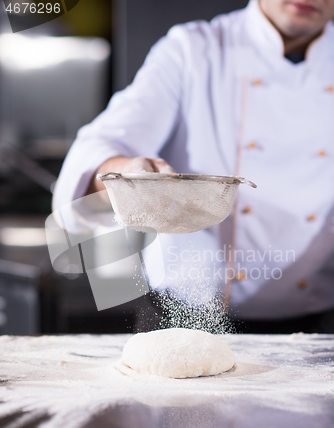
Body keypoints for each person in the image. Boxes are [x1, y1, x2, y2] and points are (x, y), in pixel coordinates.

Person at [53, 0, 334, 333]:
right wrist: (130, 175)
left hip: (317, 324)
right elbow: (98, 148)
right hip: (181, 318)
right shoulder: (193, 50)